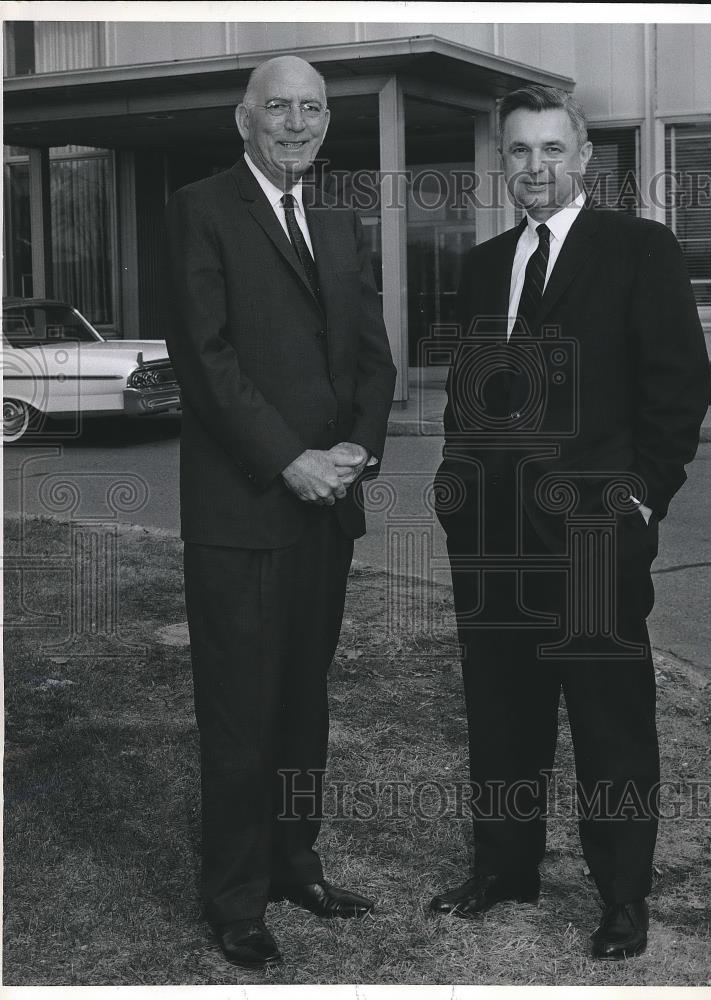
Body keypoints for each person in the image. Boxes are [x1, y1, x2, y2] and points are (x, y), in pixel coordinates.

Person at [430, 84, 709, 960]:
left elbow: (676, 388)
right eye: (518, 151)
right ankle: (503, 869)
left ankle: (621, 896)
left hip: (594, 537)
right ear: (501, 161)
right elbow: (467, 398)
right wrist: (456, 486)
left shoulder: (638, 249)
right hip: (494, 541)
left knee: (608, 721)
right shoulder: (483, 265)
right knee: (500, 711)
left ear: (584, 157)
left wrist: (641, 493)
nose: (535, 167)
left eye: (552, 149)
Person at [164, 55, 396, 969]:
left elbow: (372, 353)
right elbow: (205, 359)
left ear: (326, 122)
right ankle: (234, 897)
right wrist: (288, 460)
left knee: (303, 702)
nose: (295, 124)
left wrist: (355, 451)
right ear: (243, 119)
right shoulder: (201, 208)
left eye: (311, 109)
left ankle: (295, 861)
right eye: (278, 109)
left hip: (326, 506)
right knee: (240, 709)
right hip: (243, 510)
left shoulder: (337, 212)